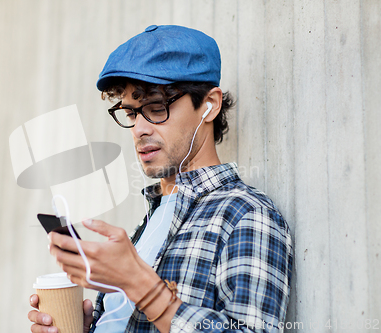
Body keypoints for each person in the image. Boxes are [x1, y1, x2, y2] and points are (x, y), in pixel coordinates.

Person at [28, 25, 293, 333]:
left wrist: (143, 287)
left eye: (156, 109)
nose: (139, 129)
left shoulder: (246, 214)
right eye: (131, 114)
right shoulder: (147, 224)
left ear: (210, 105)